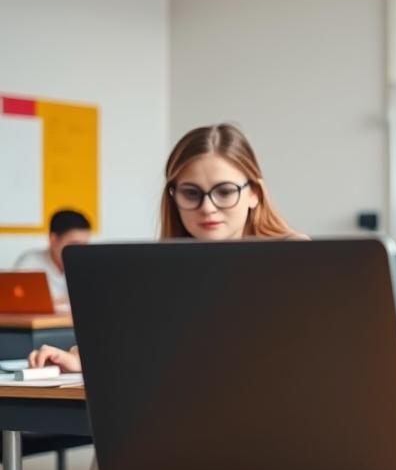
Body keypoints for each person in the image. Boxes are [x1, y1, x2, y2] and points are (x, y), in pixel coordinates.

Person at [29, 124, 301, 372]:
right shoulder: (162, 270)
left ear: (254, 193)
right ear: (174, 196)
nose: (207, 207)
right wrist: (85, 360)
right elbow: (144, 346)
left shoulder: (295, 256)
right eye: (191, 193)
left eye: (225, 191)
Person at [12, 209, 92, 305]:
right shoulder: (29, 263)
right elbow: (16, 303)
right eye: (74, 244)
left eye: (85, 245)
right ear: (53, 239)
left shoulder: (89, 268)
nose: (80, 251)